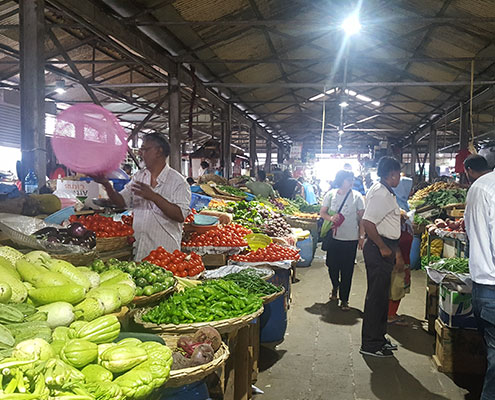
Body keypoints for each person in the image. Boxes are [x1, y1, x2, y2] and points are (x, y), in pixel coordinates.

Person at [94, 133, 191, 261]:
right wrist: (106, 184)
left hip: (166, 254)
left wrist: (153, 197)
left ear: (158, 151)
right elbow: (121, 201)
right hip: (139, 250)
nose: (140, 153)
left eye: (145, 149)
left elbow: (179, 215)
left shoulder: (178, 182)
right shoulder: (139, 177)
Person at [360, 156, 402, 358]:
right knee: (376, 297)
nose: (399, 178)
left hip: (386, 246)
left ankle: (379, 337)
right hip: (379, 249)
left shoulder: (386, 192)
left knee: (382, 296)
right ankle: (370, 344)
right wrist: (383, 247)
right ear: (392, 174)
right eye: (399, 174)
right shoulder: (380, 193)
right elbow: (368, 222)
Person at [463, 154, 495, 399]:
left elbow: (469, 230)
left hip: (481, 285)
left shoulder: (477, 187)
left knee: (491, 354)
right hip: (493, 287)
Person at [320, 170, 365, 311]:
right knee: (332, 265)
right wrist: (330, 218)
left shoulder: (357, 197)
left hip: (350, 239)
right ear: (341, 180)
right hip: (333, 238)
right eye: (348, 179)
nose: (351, 182)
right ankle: (335, 286)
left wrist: (361, 237)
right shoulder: (331, 194)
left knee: (347, 270)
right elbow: (322, 212)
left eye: (352, 179)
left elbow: (362, 219)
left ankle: (345, 299)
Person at [387, 211, 414, 325]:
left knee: (398, 288)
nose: (403, 220)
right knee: (396, 289)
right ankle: (390, 315)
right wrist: (399, 257)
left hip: (404, 261)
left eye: (403, 218)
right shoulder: (392, 230)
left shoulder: (406, 227)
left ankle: (390, 313)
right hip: (397, 263)